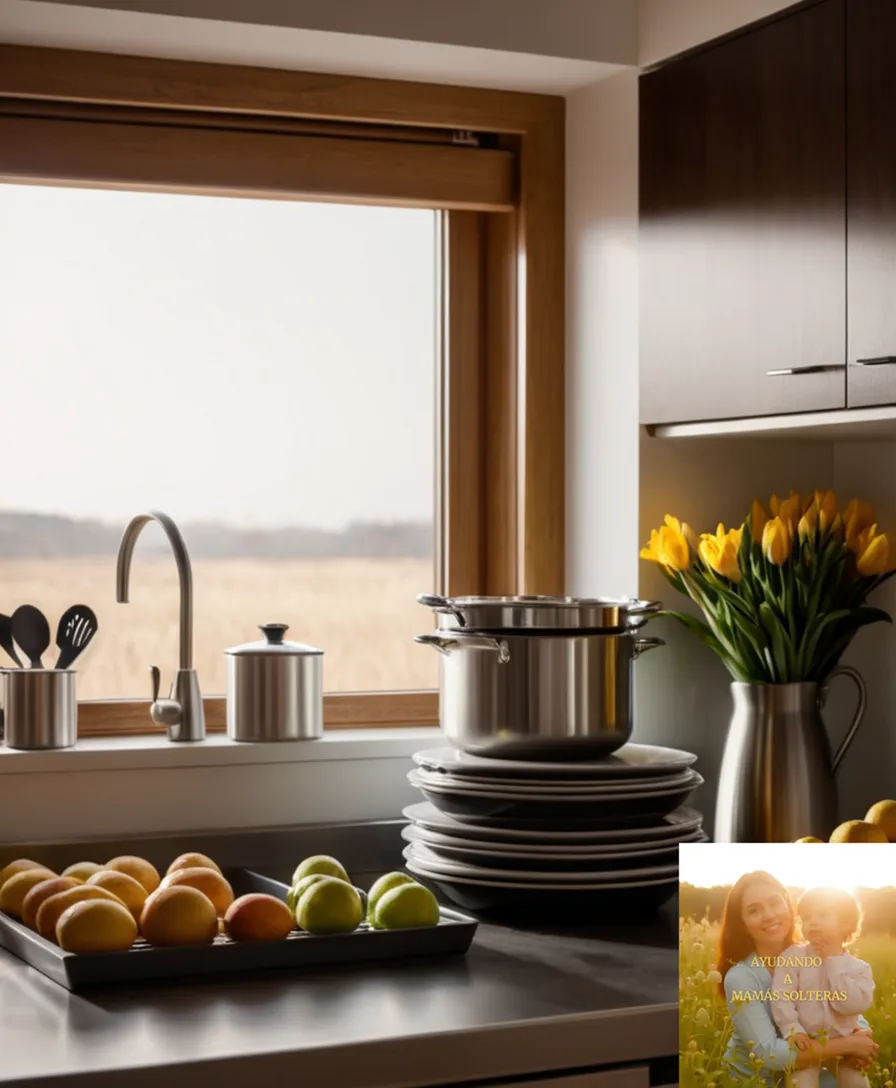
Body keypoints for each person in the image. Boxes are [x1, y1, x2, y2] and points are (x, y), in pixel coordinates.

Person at [716, 871, 878, 1085]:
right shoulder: (741, 978)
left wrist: (861, 1033)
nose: (769, 915)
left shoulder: (817, 954)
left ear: (788, 906)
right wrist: (849, 1045)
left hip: (810, 1063)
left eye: (775, 903)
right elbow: (768, 1054)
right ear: (743, 925)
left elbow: (840, 1004)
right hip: (757, 1079)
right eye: (754, 910)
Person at [771, 886, 874, 1088]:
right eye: (807, 917)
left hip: (844, 1048)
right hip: (807, 1043)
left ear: (845, 923)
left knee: (857, 1083)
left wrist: (833, 961)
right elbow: (781, 997)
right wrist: (793, 1030)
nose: (813, 922)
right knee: (800, 1083)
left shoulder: (859, 968)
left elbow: (852, 1005)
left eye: (822, 915)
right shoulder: (792, 958)